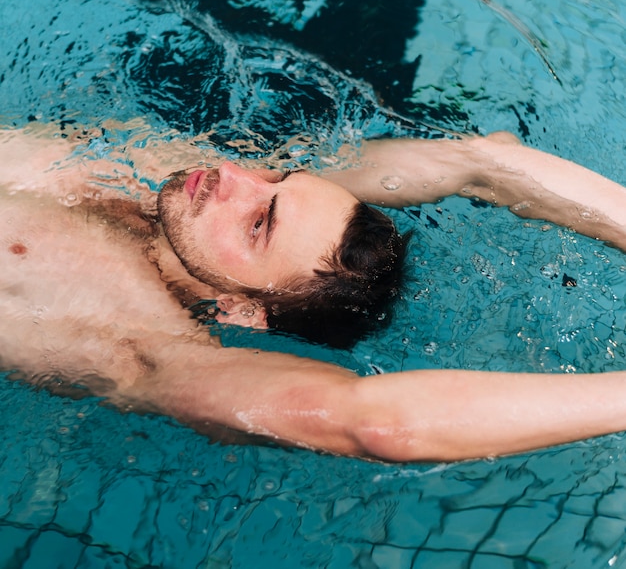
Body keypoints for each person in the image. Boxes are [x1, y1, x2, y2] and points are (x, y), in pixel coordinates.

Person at [4, 122, 626, 463]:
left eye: (258, 224)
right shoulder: (182, 185)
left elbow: (377, 423)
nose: (234, 176)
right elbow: (481, 163)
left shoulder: (138, 346)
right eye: (279, 176)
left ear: (242, 309)